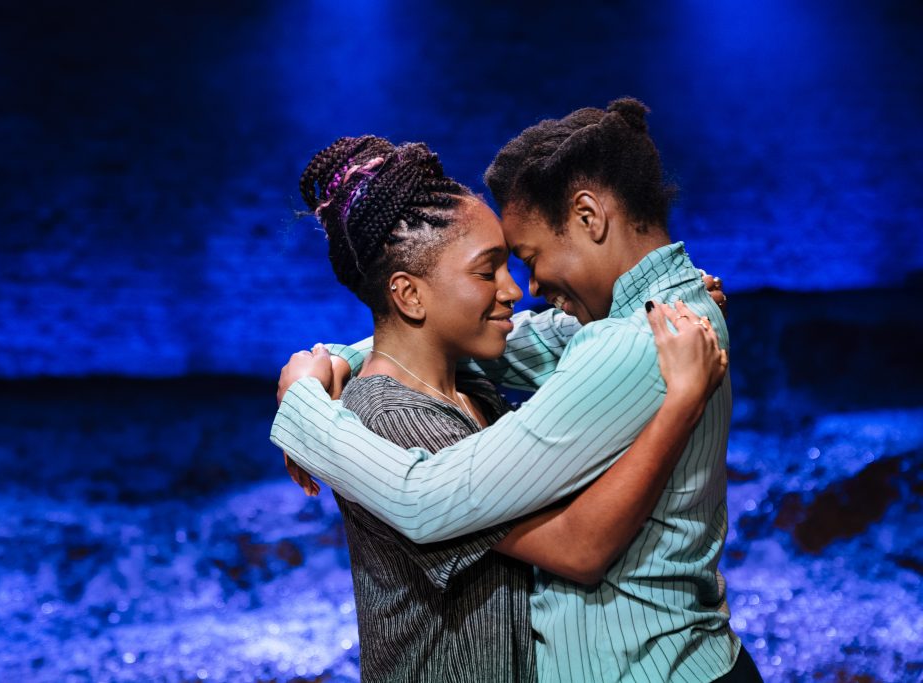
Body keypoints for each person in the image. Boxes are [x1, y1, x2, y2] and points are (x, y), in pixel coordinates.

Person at [274, 100, 762, 682]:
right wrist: (339, 358)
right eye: (493, 270)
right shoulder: (654, 320)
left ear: (589, 216)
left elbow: (434, 501)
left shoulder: (628, 343)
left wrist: (304, 407)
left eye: (525, 258)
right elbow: (498, 342)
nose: (523, 288)